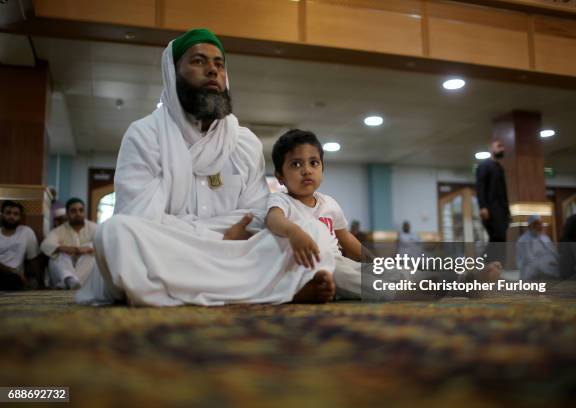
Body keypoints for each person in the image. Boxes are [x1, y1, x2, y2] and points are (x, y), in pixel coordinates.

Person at [76, 29, 336, 306]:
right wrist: (217, 236)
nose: (212, 70)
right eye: (199, 61)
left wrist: (225, 235)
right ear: (173, 72)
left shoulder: (244, 141)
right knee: (115, 233)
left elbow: (257, 214)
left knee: (311, 228)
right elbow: (141, 217)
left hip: (238, 250)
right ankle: (275, 291)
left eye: (219, 64)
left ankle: (207, 291)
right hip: (176, 251)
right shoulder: (145, 134)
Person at [266, 129, 367, 301]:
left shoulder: (330, 204)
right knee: (348, 277)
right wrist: (293, 232)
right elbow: (273, 219)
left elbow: (346, 238)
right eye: (296, 164)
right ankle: (388, 289)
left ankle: (421, 280)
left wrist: (372, 259)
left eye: (314, 163)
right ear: (280, 177)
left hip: (339, 261)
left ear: (322, 169)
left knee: (377, 270)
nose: (307, 170)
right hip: (313, 266)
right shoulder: (282, 201)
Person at [41, 198, 97, 290]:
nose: (78, 213)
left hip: (86, 269)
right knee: (58, 255)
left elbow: (104, 246)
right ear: (67, 214)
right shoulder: (59, 230)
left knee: (91, 251)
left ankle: (73, 283)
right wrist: (75, 250)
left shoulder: (94, 228)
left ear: (84, 212)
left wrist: (87, 249)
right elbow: (45, 245)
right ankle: (70, 280)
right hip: (64, 268)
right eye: (73, 211)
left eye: (81, 210)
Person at [476, 139, 510, 262]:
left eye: (503, 147)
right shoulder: (484, 166)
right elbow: (480, 187)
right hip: (491, 209)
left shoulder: (500, 168)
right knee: (498, 238)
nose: (502, 149)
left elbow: (503, 192)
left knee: (499, 240)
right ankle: (483, 265)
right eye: (499, 146)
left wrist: (507, 212)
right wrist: (483, 207)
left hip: (501, 210)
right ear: (491, 148)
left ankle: (493, 268)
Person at [0, 201, 40, 290]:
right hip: (7, 272)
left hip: (14, 278)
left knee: (13, 280)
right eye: (8, 213)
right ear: (2, 215)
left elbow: (33, 259)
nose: (11, 217)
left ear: (20, 217)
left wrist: (40, 283)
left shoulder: (26, 232)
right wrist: (10, 270)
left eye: (16, 214)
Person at [516, 215, 559, 281]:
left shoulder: (545, 238)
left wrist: (558, 261)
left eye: (541, 223)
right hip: (532, 273)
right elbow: (528, 260)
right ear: (530, 226)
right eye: (537, 224)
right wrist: (547, 263)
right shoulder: (523, 240)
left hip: (551, 269)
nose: (540, 226)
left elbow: (554, 253)